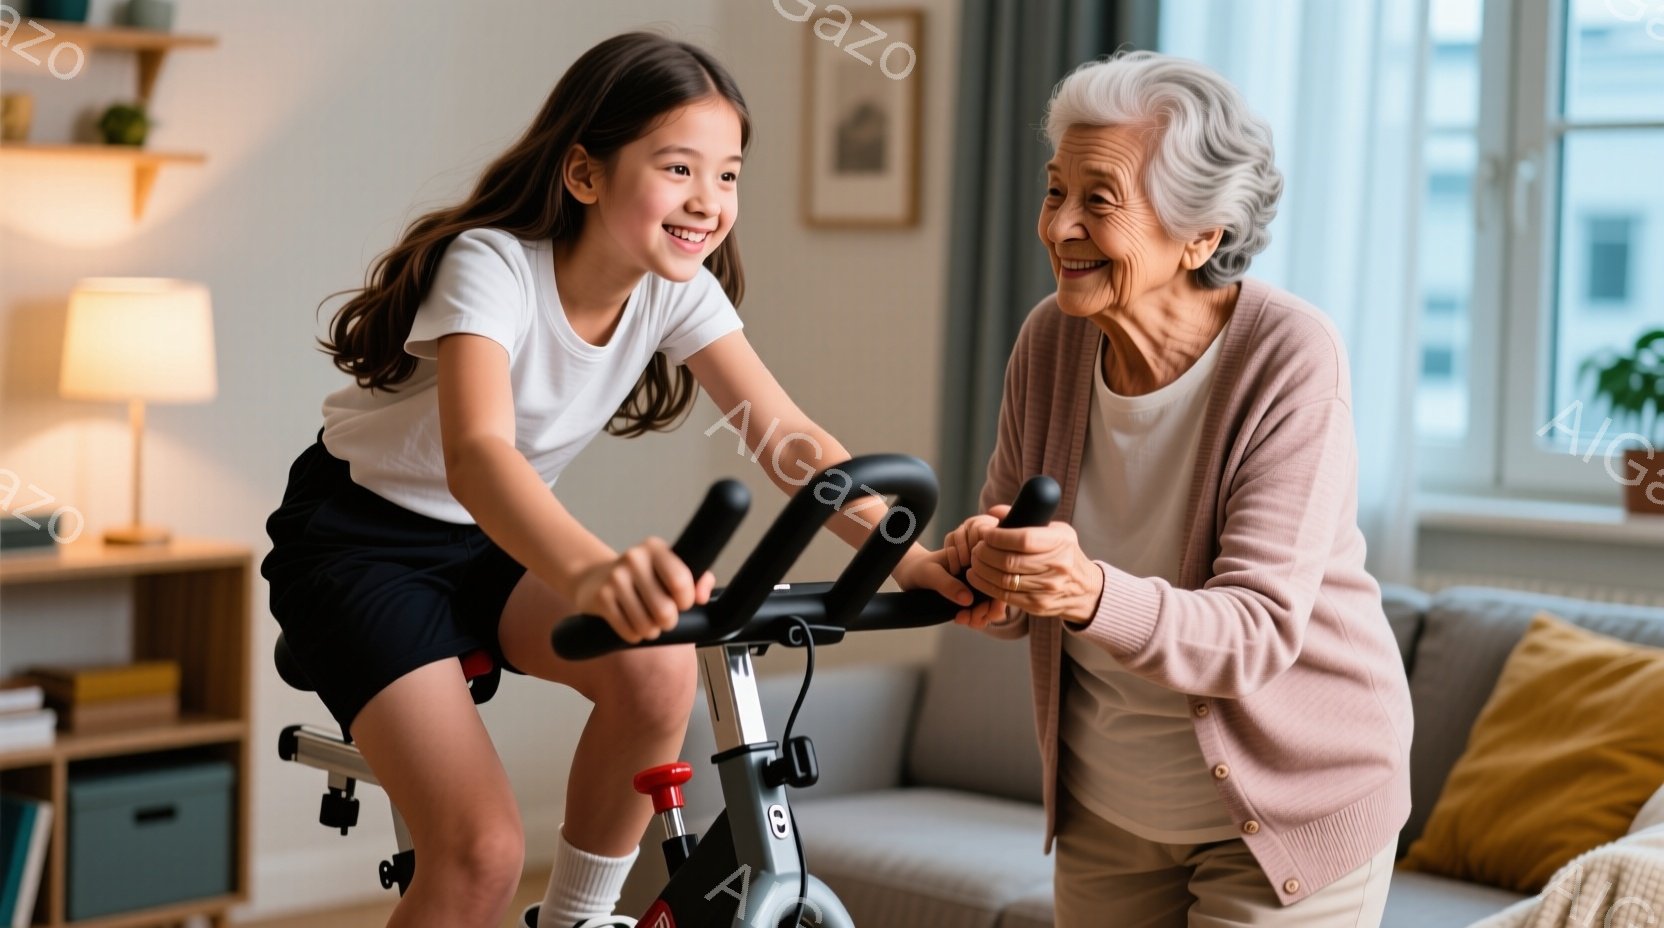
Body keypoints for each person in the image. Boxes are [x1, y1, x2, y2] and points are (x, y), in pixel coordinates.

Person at [262, 32, 965, 928]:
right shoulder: (490, 265)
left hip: (489, 544)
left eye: (728, 175)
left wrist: (910, 559)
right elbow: (479, 456)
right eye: (679, 168)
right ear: (585, 174)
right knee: (481, 856)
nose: (708, 200)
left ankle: (579, 918)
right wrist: (595, 572)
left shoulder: (677, 289)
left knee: (661, 662)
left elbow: (787, 439)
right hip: (359, 544)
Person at [903, 51, 1415, 926]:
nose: (1059, 226)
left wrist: (1086, 590)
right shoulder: (1050, 340)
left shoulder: (1290, 355)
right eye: (1054, 190)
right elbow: (1021, 591)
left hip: (1291, 808)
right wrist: (994, 565)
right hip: (1111, 808)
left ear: (1202, 236)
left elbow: (1255, 630)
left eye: (1099, 200)